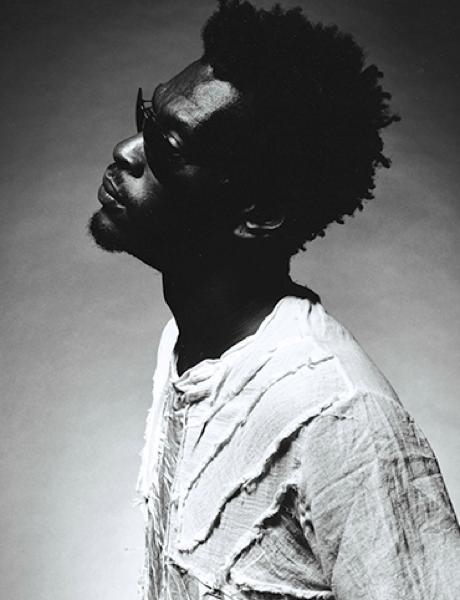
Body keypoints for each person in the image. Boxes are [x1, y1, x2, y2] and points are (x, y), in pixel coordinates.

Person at [88, 1, 460, 598]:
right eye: (145, 119)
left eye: (169, 146)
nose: (127, 150)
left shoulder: (340, 414)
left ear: (259, 215)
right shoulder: (189, 345)